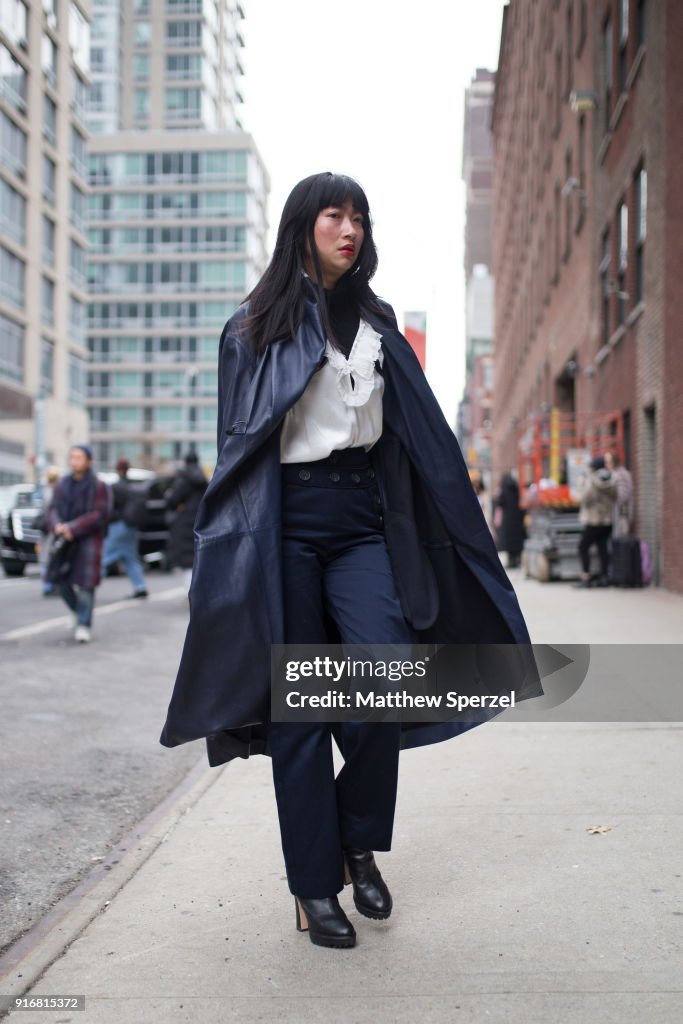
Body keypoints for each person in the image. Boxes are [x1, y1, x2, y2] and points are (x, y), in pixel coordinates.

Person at [159, 172, 544, 950]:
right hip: (283, 526)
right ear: (302, 225)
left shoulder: (376, 322)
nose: (349, 229)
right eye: (334, 215)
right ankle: (313, 888)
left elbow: (410, 437)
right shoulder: (251, 327)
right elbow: (238, 449)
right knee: (299, 713)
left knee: (381, 685)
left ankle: (354, 840)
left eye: (359, 217)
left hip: (363, 520)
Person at [46, 444, 111, 642]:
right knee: (60, 579)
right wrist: (57, 525)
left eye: (79, 457)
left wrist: (72, 528)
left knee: (85, 585)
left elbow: (101, 514)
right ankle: (76, 611)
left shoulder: (99, 485)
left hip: (88, 541)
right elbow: (52, 509)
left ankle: (84, 624)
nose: (74, 461)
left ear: (89, 461)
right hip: (64, 540)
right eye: (72, 457)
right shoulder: (62, 484)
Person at [101, 457, 148, 599]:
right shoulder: (133, 486)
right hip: (131, 527)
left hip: (118, 526)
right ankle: (140, 587)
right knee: (130, 558)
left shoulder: (115, 487)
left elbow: (109, 508)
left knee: (104, 556)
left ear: (118, 470)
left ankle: (87, 585)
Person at [164, 451, 208, 593]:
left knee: (186, 560)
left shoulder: (182, 478)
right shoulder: (203, 479)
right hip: (201, 519)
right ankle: (199, 592)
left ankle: (190, 592)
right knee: (197, 557)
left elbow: (172, 500)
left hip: (184, 522)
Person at [573, 454, 617, 588]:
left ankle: (586, 577)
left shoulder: (592, 481)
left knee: (582, 547)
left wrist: (580, 484)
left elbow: (584, 499)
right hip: (608, 521)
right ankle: (604, 577)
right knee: (603, 548)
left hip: (594, 521)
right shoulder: (611, 479)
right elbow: (615, 497)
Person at [493, 472, 527, 569]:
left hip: (507, 522)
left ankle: (511, 561)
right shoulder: (516, 490)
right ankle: (517, 560)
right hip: (517, 521)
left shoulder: (503, 490)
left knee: (509, 544)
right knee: (516, 543)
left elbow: (499, 502)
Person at [38, 466, 61, 596]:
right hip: (51, 528)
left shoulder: (45, 491)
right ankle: (49, 584)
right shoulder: (53, 493)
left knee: (45, 557)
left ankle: (48, 584)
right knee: (51, 556)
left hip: (45, 529)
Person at [604, 450, 633, 537]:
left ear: (614, 462)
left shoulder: (620, 475)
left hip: (620, 516)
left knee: (620, 542)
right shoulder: (615, 474)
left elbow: (622, 497)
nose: (606, 465)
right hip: (616, 515)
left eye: (608, 462)